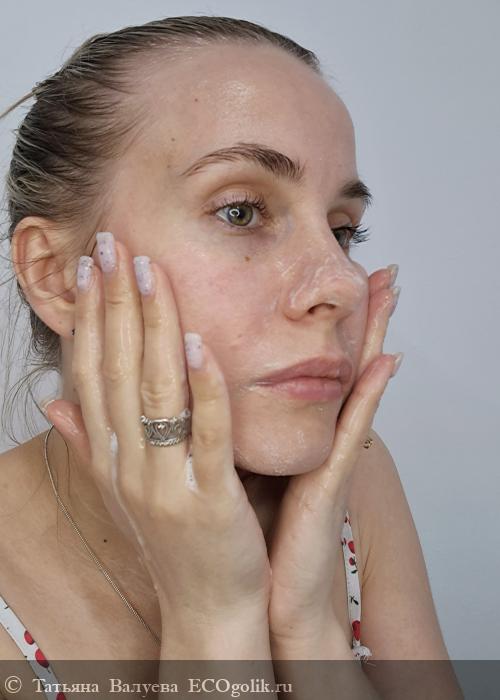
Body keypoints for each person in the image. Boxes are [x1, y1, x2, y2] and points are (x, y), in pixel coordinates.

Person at [0, 14, 462, 699]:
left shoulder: (349, 479)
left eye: (343, 230)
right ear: (57, 277)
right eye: (241, 211)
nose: (341, 282)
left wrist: (311, 633)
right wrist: (214, 617)